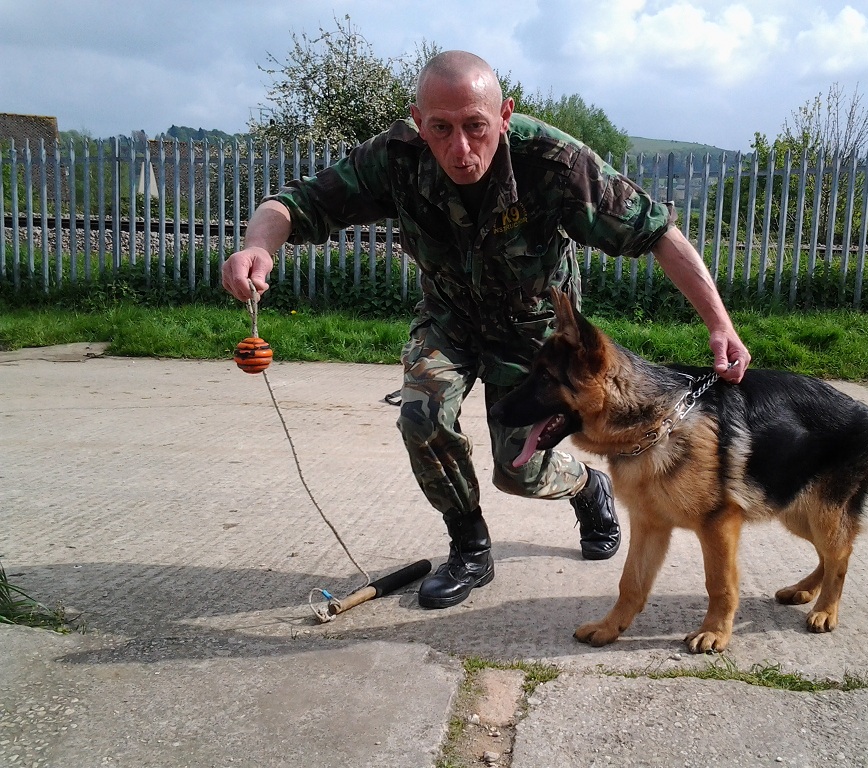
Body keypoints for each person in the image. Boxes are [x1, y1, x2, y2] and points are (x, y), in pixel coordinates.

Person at [222, 50, 750, 610]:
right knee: (421, 414)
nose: (461, 149)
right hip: (448, 318)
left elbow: (656, 232)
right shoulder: (395, 157)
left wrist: (720, 324)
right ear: (419, 120)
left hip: (533, 333)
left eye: (476, 127)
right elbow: (292, 204)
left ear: (504, 116)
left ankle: (584, 487)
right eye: (441, 129)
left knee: (518, 472)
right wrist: (258, 245)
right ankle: (469, 547)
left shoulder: (553, 163)